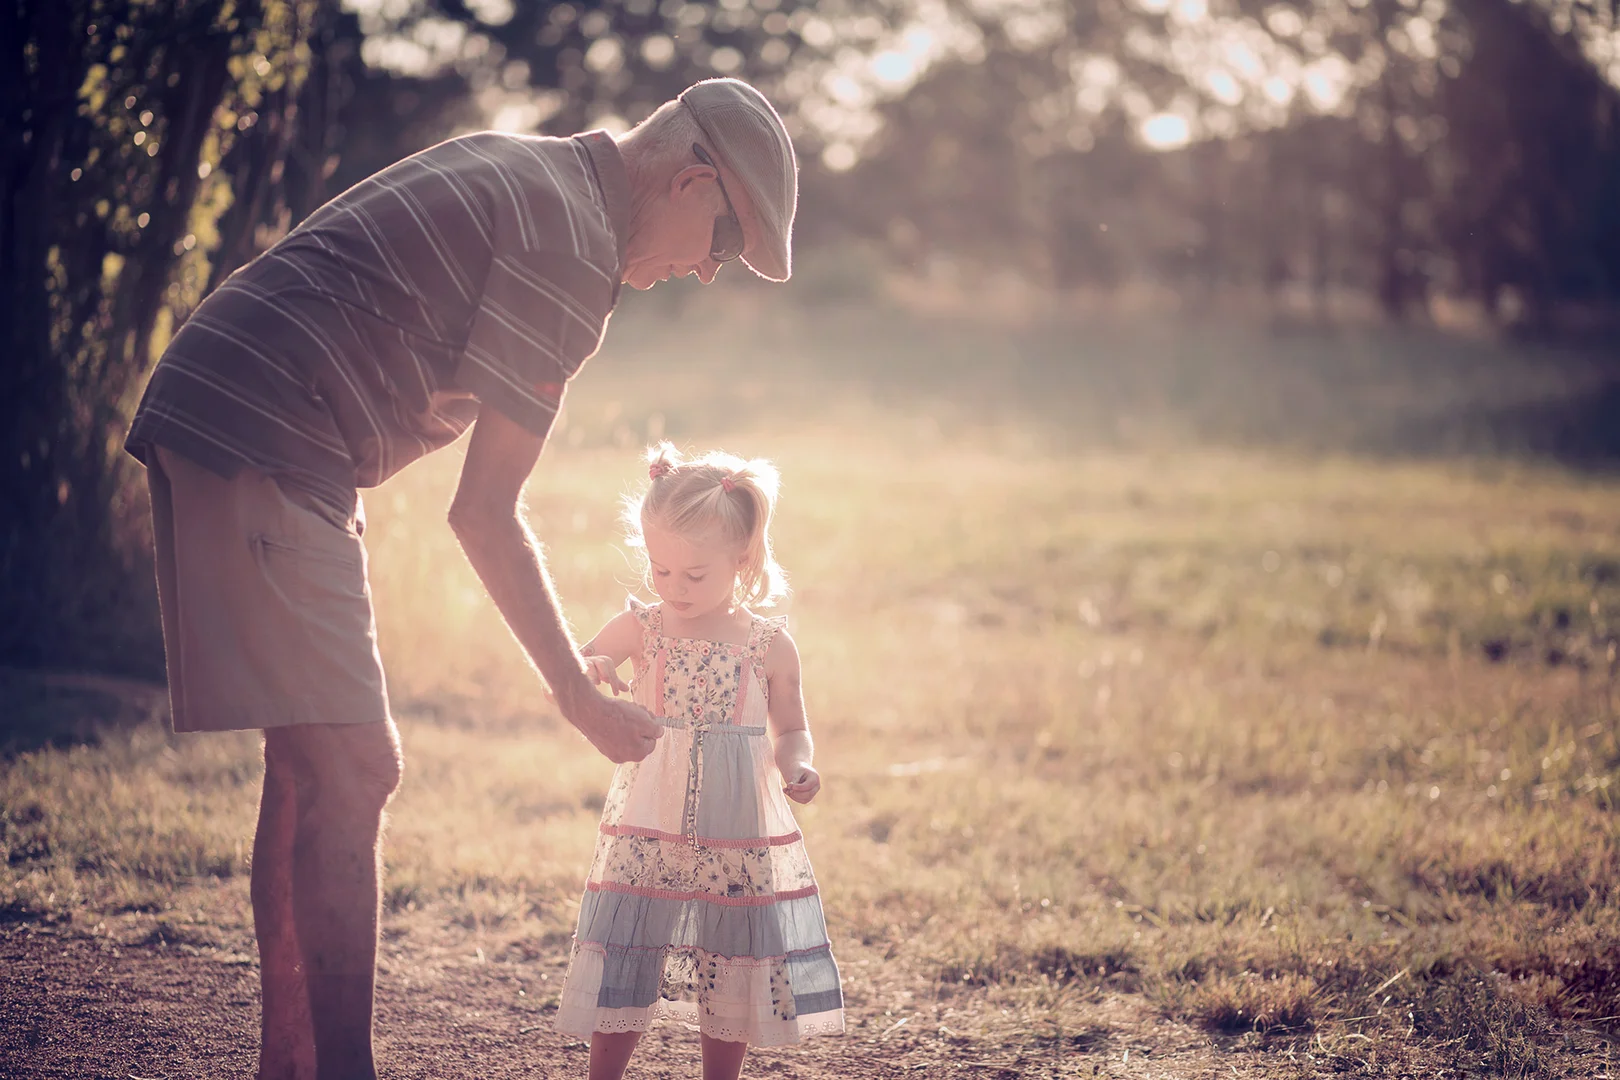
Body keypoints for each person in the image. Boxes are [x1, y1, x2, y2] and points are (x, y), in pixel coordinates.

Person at [121, 77, 799, 1080]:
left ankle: (291, 1066)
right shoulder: (572, 250)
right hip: (271, 424)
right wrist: (577, 693)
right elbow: (483, 510)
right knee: (354, 769)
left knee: (311, 769)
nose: (708, 271)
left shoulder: (543, 171)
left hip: (226, 397)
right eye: (727, 242)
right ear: (695, 181)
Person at [553, 443, 843, 1080]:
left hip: (735, 826)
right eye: (660, 571)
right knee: (628, 948)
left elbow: (791, 726)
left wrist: (798, 767)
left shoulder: (768, 644)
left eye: (695, 575)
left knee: (730, 958)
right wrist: (596, 669)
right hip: (648, 821)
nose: (674, 589)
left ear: (742, 561)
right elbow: (580, 663)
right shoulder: (645, 627)